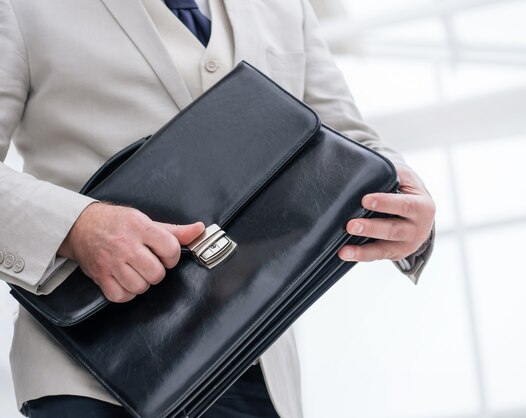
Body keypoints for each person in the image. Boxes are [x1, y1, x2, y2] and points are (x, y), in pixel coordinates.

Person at [0, 0, 436, 416]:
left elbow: (349, 138)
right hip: (92, 368)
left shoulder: (285, 5)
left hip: (255, 366)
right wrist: (77, 227)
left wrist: (405, 198)